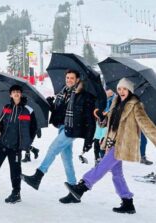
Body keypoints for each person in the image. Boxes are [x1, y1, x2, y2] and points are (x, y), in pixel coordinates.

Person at [65, 78, 156, 214]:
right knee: (117, 174)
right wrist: (102, 118)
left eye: (124, 89)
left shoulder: (135, 105)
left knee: (101, 167)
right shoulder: (117, 102)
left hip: (123, 144)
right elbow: (109, 122)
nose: (121, 91)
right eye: (119, 89)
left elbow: (146, 125)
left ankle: (82, 186)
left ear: (130, 90)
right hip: (111, 142)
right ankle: (127, 202)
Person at [21, 69, 96, 204]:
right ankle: (73, 190)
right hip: (62, 127)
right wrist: (51, 105)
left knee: (52, 149)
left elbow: (90, 119)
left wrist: (89, 140)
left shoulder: (83, 96)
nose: (69, 80)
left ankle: (38, 176)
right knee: (66, 158)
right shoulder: (64, 92)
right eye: (67, 78)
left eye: (72, 78)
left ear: (78, 80)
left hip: (72, 129)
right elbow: (59, 111)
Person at [0, 85, 38, 203]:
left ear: (21, 94)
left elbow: (33, 129)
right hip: (2, 143)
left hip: (16, 146)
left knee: (15, 170)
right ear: (10, 95)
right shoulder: (6, 108)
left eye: (18, 92)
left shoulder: (28, 110)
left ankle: (16, 193)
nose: (16, 94)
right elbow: (1, 122)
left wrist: (27, 143)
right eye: (14, 92)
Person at [93, 89, 115, 165]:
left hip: (108, 124)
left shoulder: (115, 100)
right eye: (107, 90)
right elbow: (95, 108)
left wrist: (108, 112)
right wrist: (98, 112)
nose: (108, 92)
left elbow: (116, 111)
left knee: (104, 141)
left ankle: (103, 159)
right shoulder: (101, 98)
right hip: (99, 123)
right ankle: (96, 159)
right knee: (96, 140)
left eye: (111, 90)